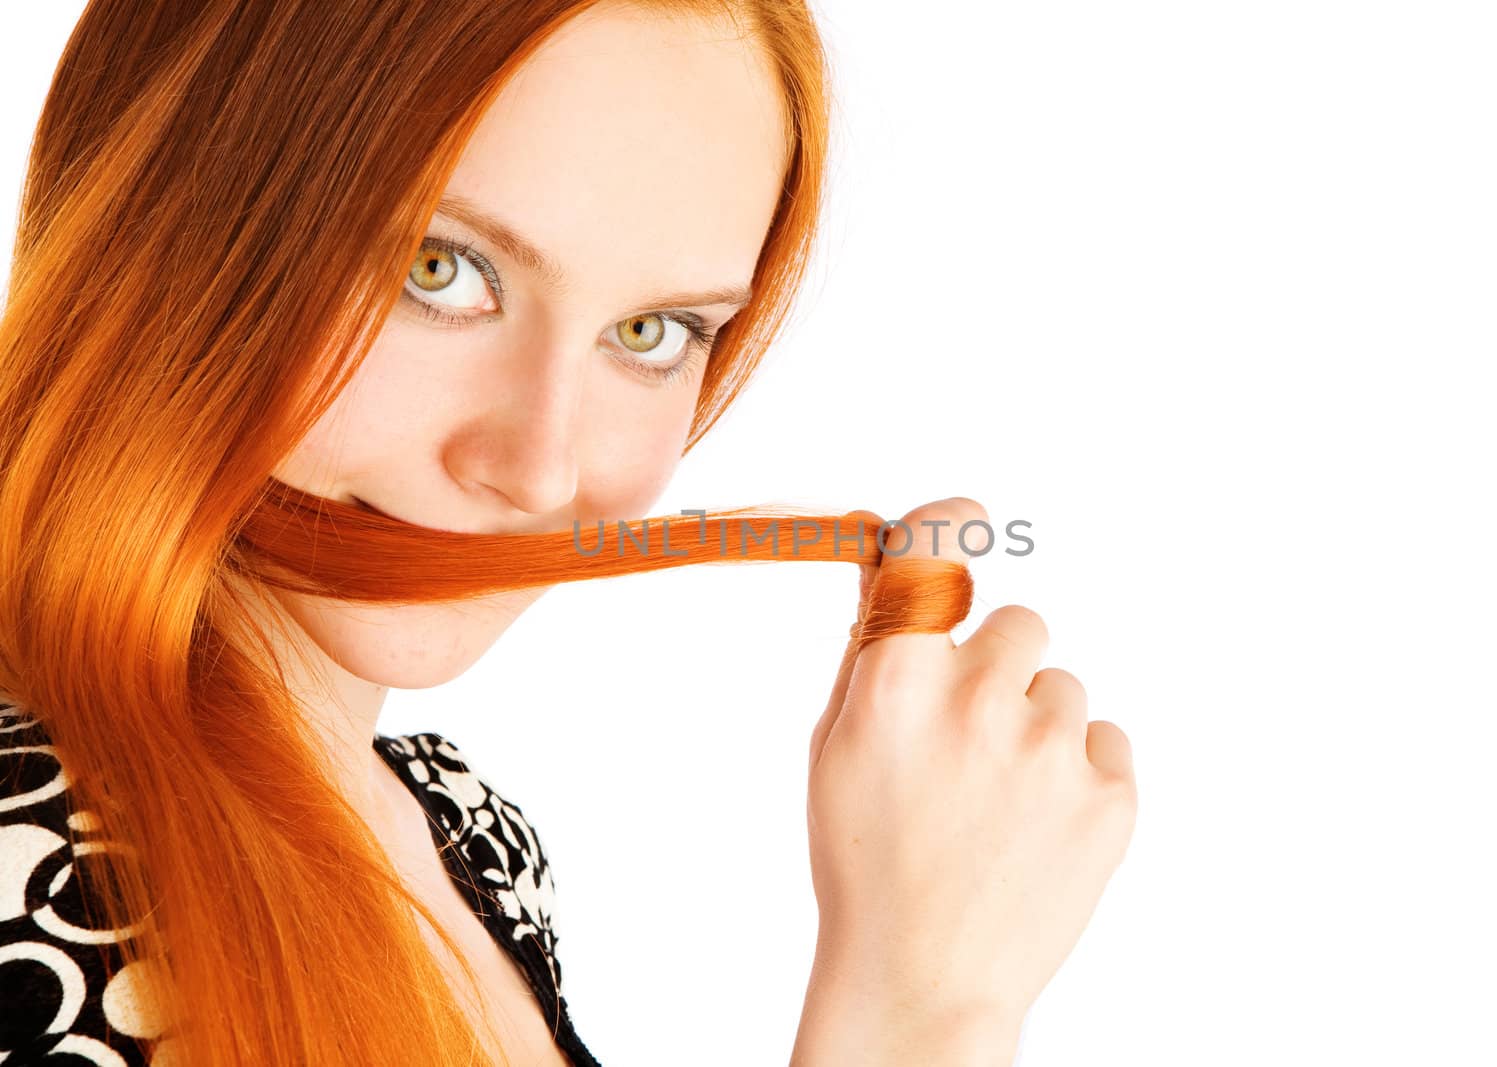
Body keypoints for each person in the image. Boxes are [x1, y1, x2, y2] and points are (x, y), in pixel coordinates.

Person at [0, 2, 1136, 1065]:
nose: (542, 466)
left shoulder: (461, 837)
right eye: (437, 269)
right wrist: (917, 1008)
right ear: (162, 222)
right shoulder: (25, 883)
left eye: (650, 331)